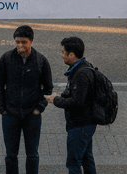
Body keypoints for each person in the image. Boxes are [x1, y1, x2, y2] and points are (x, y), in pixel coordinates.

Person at [0, 25, 53, 174]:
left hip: (31, 115)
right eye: (17, 42)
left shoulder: (41, 61)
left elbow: (48, 87)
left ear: (31, 41)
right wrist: (2, 109)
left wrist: (39, 108)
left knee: (32, 155)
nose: (20, 45)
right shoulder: (6, 59)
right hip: (10, 114)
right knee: (10, 155)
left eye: (24, 42)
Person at [47, 37, 97, 174]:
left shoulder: (81, 73)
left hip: (80, 124)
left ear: (72, 55)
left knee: (73, 163)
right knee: (87, 159)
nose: (61, 55)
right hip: (87, 123)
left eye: (63, 52)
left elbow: (77, 102)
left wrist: (56, 100)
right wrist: (61, 96)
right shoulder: (83, 67)